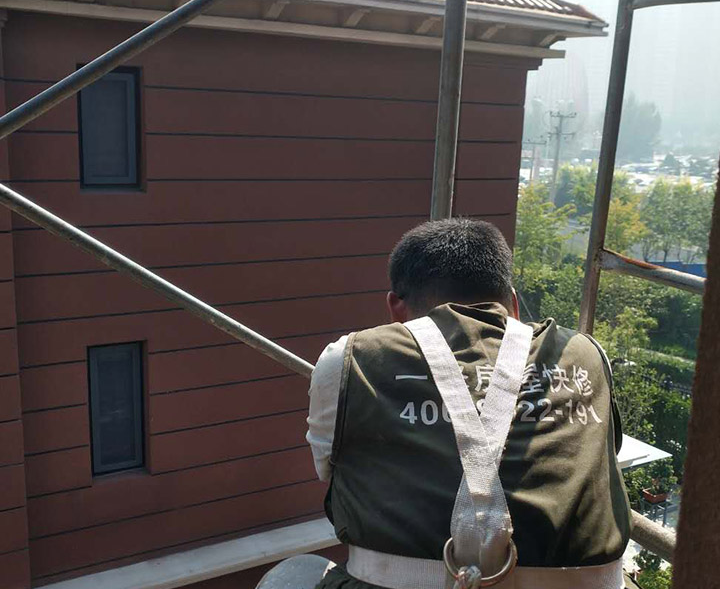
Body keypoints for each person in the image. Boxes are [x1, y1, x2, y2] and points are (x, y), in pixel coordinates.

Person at [261, 218, 632, 589]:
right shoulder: (584, 354)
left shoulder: (351, 357)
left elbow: (329, 467)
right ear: (514, 305)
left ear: (395, 310)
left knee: (296, 573)